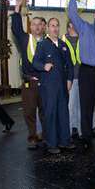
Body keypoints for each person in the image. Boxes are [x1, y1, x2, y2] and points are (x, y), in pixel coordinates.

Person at [68, 0, 95, 148]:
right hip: (86, 72)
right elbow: (72, 13)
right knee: (86, 105)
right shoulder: (84, 27)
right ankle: (86, 137)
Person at [32, 18, 74, 154]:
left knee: (63, 112)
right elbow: (35, 62)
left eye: (57, 25)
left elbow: (70, 65)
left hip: (62, 86)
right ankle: (51, 143)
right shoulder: (42, 45)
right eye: (52, 26)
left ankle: (65, 141)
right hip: (48, 86)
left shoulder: (63, 44)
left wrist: (69, 80)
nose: (55, 28)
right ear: (47, 28)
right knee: (50, 113)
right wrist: (44, 66)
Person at [11, 0, 44, 148]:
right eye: (34, 24)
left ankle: (45, 134)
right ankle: (33, 136)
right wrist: (17, 8)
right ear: (30, 27)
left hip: (45, 82)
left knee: (45, 110)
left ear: (43, 27)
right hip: (29, 82)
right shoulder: (25, 39)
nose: (37, 27)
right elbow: (16, 28)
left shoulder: (48, 42)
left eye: (40, 25)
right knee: (29, 110)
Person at [62, 21, 81, 138]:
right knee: (70, 105)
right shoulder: (62, 41)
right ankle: (67, 132)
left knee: (80, 106)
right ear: (69, 27)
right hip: (70, 78)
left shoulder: (82, 38)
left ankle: (79, 129)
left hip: (82, 77)